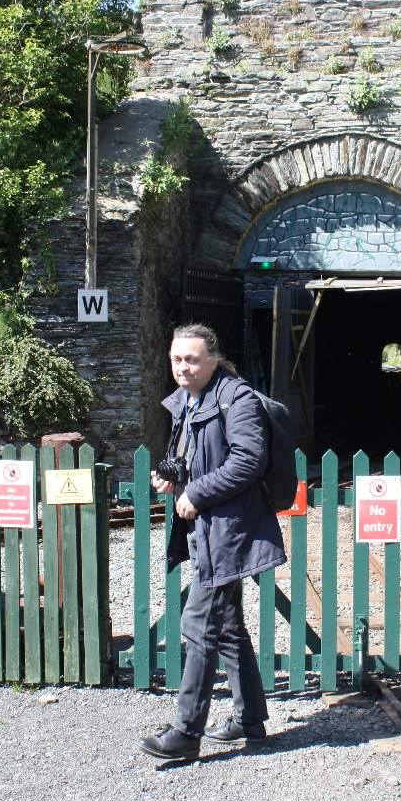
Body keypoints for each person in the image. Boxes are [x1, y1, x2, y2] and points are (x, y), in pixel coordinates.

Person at [138, 324, 287, 761]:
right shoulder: (189, 400)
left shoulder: (235, 398)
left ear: (213, 360)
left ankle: (186, 731)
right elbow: (191, 455)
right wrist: (171, 476)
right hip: (209, 530)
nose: (182, 367)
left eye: (192, 359)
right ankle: (250, 719)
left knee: (198, 624)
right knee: (225, 627)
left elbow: (248, 460)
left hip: (231, 531)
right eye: (176, 359)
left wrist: (196, 493)